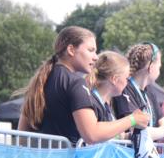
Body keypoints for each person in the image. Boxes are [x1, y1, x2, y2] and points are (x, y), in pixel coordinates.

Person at [18, 26, 147, 144]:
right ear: (71, 50)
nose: (95, 57)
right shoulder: (75, 83)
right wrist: (132, 119)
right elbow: (92, 134)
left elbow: (22, 135)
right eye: (91, 50)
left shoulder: (41, 79)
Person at [112, 42, 164, 143]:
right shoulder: (125, 88)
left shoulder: (150, 92)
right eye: (159, 67)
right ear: (151, 67)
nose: (159, 71)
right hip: (128, 154)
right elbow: (135, 130)